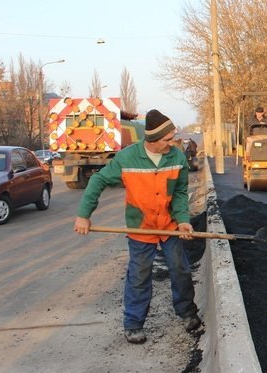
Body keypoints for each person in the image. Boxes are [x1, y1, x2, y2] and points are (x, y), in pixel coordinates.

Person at [73, 109, 201, 344]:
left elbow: (180, 193)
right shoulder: (127, 158)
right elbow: (98, 180)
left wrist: (183, 220)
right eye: (167, 139)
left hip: (169, 226)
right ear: (152, 140)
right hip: (141, 228)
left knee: (180, 270)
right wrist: (84, 215)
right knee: (139, 275)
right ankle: (133, 324)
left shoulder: (177, 157)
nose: (172, 143)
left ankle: (187, 313)